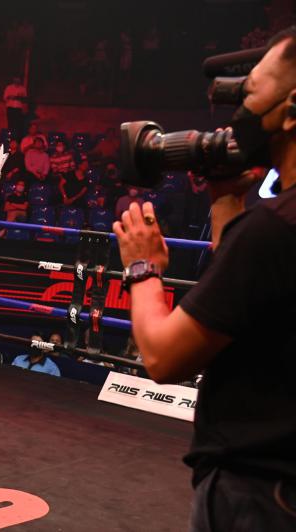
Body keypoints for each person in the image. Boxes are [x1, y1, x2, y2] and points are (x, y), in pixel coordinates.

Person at [112, 28, 296, 530]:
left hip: (260, 491)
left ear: (290, 111)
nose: (240, 115)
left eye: (251, 94)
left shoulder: (275, 228)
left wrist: (143, 267)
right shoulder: (273, 226)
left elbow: (163, 356)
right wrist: (226, 200)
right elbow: (238, 300)